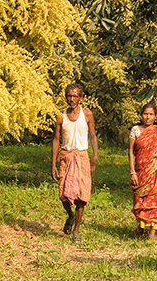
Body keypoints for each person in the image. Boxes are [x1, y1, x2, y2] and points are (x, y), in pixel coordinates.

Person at [51, 83, 98, 245]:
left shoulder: (87, 115)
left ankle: (76, 230)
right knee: (63, 194)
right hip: (66, 156)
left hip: (82, 156)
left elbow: (92, 136)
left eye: (75, 96)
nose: (72, 99)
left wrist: (94, 158)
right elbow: (56, 140)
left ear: (81, 97)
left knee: (81, 197)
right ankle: (70, 215)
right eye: (69, 96)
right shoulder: (60, 116)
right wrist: (53, 164)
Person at [128, 102, 157, 240]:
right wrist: (132, 172)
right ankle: (141, 227)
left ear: (156, 116)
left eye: (151, 114)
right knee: (140, 200)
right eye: (145, 114)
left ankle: (152, 233)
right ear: (141, 115)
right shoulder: (135, 130)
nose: (148, 117)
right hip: (140, 170)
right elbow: (131, 153)